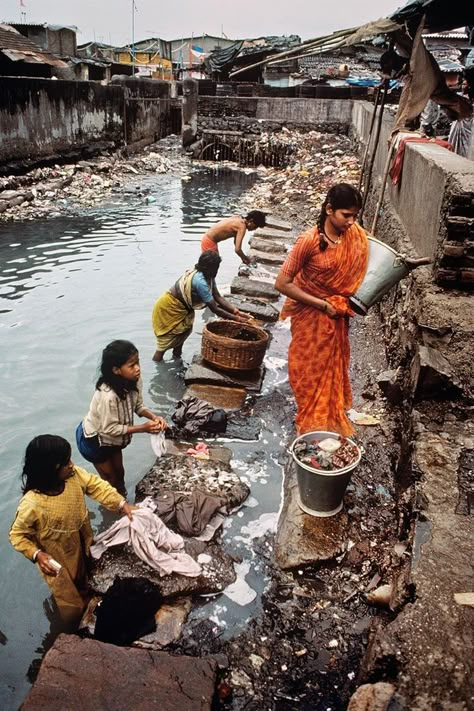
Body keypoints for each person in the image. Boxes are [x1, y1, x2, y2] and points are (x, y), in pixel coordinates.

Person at [9, 434, 137, 624]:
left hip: (82, 540)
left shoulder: (73, 476)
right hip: (57, 561)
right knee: (69, 601)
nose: (72, 464)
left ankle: (88, 602)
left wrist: (121, 504)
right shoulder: (32, 504)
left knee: (86, 579)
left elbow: (96, 486)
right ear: (53, 469)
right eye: (66, 462)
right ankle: (70, 632)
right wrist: (37, 555)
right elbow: (17, 536)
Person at [275, 183, 369, 437]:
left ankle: (327, 418)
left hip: (336, 315)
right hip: (311, 314)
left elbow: (366, 264)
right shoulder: (309, 241)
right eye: (346, 215)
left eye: (355, 216)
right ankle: (310, 418)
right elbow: (282, 283)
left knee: (331, 368)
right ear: (329, 209)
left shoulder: (353, 236)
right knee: (306, 369)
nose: (351, 222)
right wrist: (322, 305)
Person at [76, 340, 167, 494]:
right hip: (94, 440)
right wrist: (143, 428)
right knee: (110, 481)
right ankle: (115, 506)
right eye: (132, 366)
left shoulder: (134, 379)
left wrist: (153, 417)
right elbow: (110, 428)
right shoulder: (109, 396)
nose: (137, 368)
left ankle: (122, 497)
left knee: (120, 473)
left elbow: (137, 406)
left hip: (112, 439)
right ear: (116, 370)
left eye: (137, 362)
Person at [152, 251, 250, 362]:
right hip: (169, 308)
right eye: (216, 268)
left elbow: (218, 296)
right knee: (164, 344)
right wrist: (238, 319)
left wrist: (236, 311)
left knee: (182, 333)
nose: (217, 271)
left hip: (183, 309)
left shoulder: (209, 277)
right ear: (209, 268)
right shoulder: (200, 281)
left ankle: (177, 358)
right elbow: (215, 309)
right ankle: (157, 367)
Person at [201, 210, 266, 264]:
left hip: (208, 238)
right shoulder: (242, 227)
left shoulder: (238, 218)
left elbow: (236, 243)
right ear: (251, 221)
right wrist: (248, 260)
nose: (254, 229)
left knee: (209, 263)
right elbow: (237, 250)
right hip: (209, 241)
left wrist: (243, 258)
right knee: (211, 265)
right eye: (255, 226)